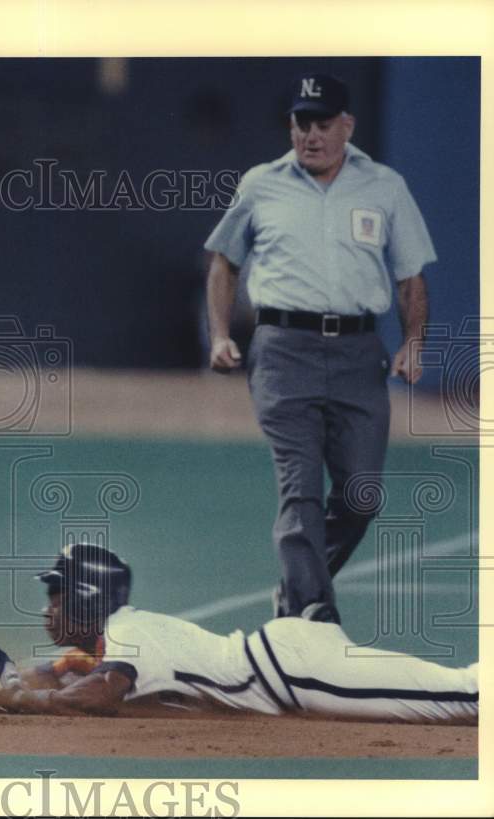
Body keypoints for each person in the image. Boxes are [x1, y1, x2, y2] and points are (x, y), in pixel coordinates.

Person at [204, 74, 435, 623]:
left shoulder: (384, 186)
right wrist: (218, 333)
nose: (311, 135)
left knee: (361, 498)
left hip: (359, 354)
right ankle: (312, 610)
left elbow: (410, 279)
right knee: (300, 487)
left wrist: (412, 343)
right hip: (284, 352)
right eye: (301, 123)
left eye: (323, 124)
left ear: (346, 127)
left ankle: (296, 588)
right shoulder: (261, 185)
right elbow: (225, 262)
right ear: (291, 126)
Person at [0, 544, 478, 724]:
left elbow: (99, 695)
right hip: (287, 658)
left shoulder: (131, 640)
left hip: (297, 672)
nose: (48, 608)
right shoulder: (112, 639)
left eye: (56, 594)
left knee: (465, 699)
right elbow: (59, 674)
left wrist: (15, 700)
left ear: (86, 598)